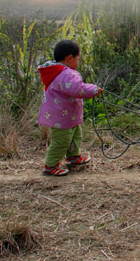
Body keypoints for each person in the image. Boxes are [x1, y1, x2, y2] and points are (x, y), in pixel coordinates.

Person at [37, 39, 103, 176]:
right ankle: (50, 165)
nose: (78, 62)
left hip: (67, 117)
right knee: (61, 141)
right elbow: (78, 89)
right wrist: (94, 90)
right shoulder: (67, 74)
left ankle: (73, 157)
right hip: (62, 117)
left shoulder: (56, 72)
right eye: (78, 58)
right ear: (69, 58)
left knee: (74, 136)